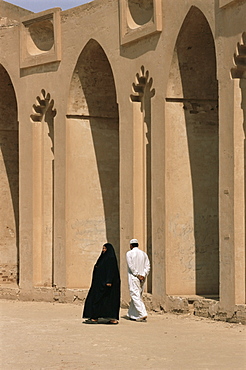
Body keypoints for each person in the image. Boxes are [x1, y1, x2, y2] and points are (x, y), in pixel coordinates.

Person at [83, 243, 121, 324]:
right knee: (97, 300)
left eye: (105, 248)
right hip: (100, 284)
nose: (103, 250)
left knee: (109, 301)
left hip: (107, 284)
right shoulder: (103, 258)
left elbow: (111, 270)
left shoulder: (110, 258)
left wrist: (109, 281)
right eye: (103, 248)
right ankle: (95, 317)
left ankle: (112, 318)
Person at [126, 238, 150, 322]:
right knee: (137, 295)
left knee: (135, 295)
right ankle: (132, 314)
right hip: (142, 278)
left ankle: (142, 313)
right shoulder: (144, 254)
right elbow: (147, 266)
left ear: (131, 245)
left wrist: (137, 275)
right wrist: (143, 275)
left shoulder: (129, 253)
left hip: (134, 277)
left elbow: (131, 266)